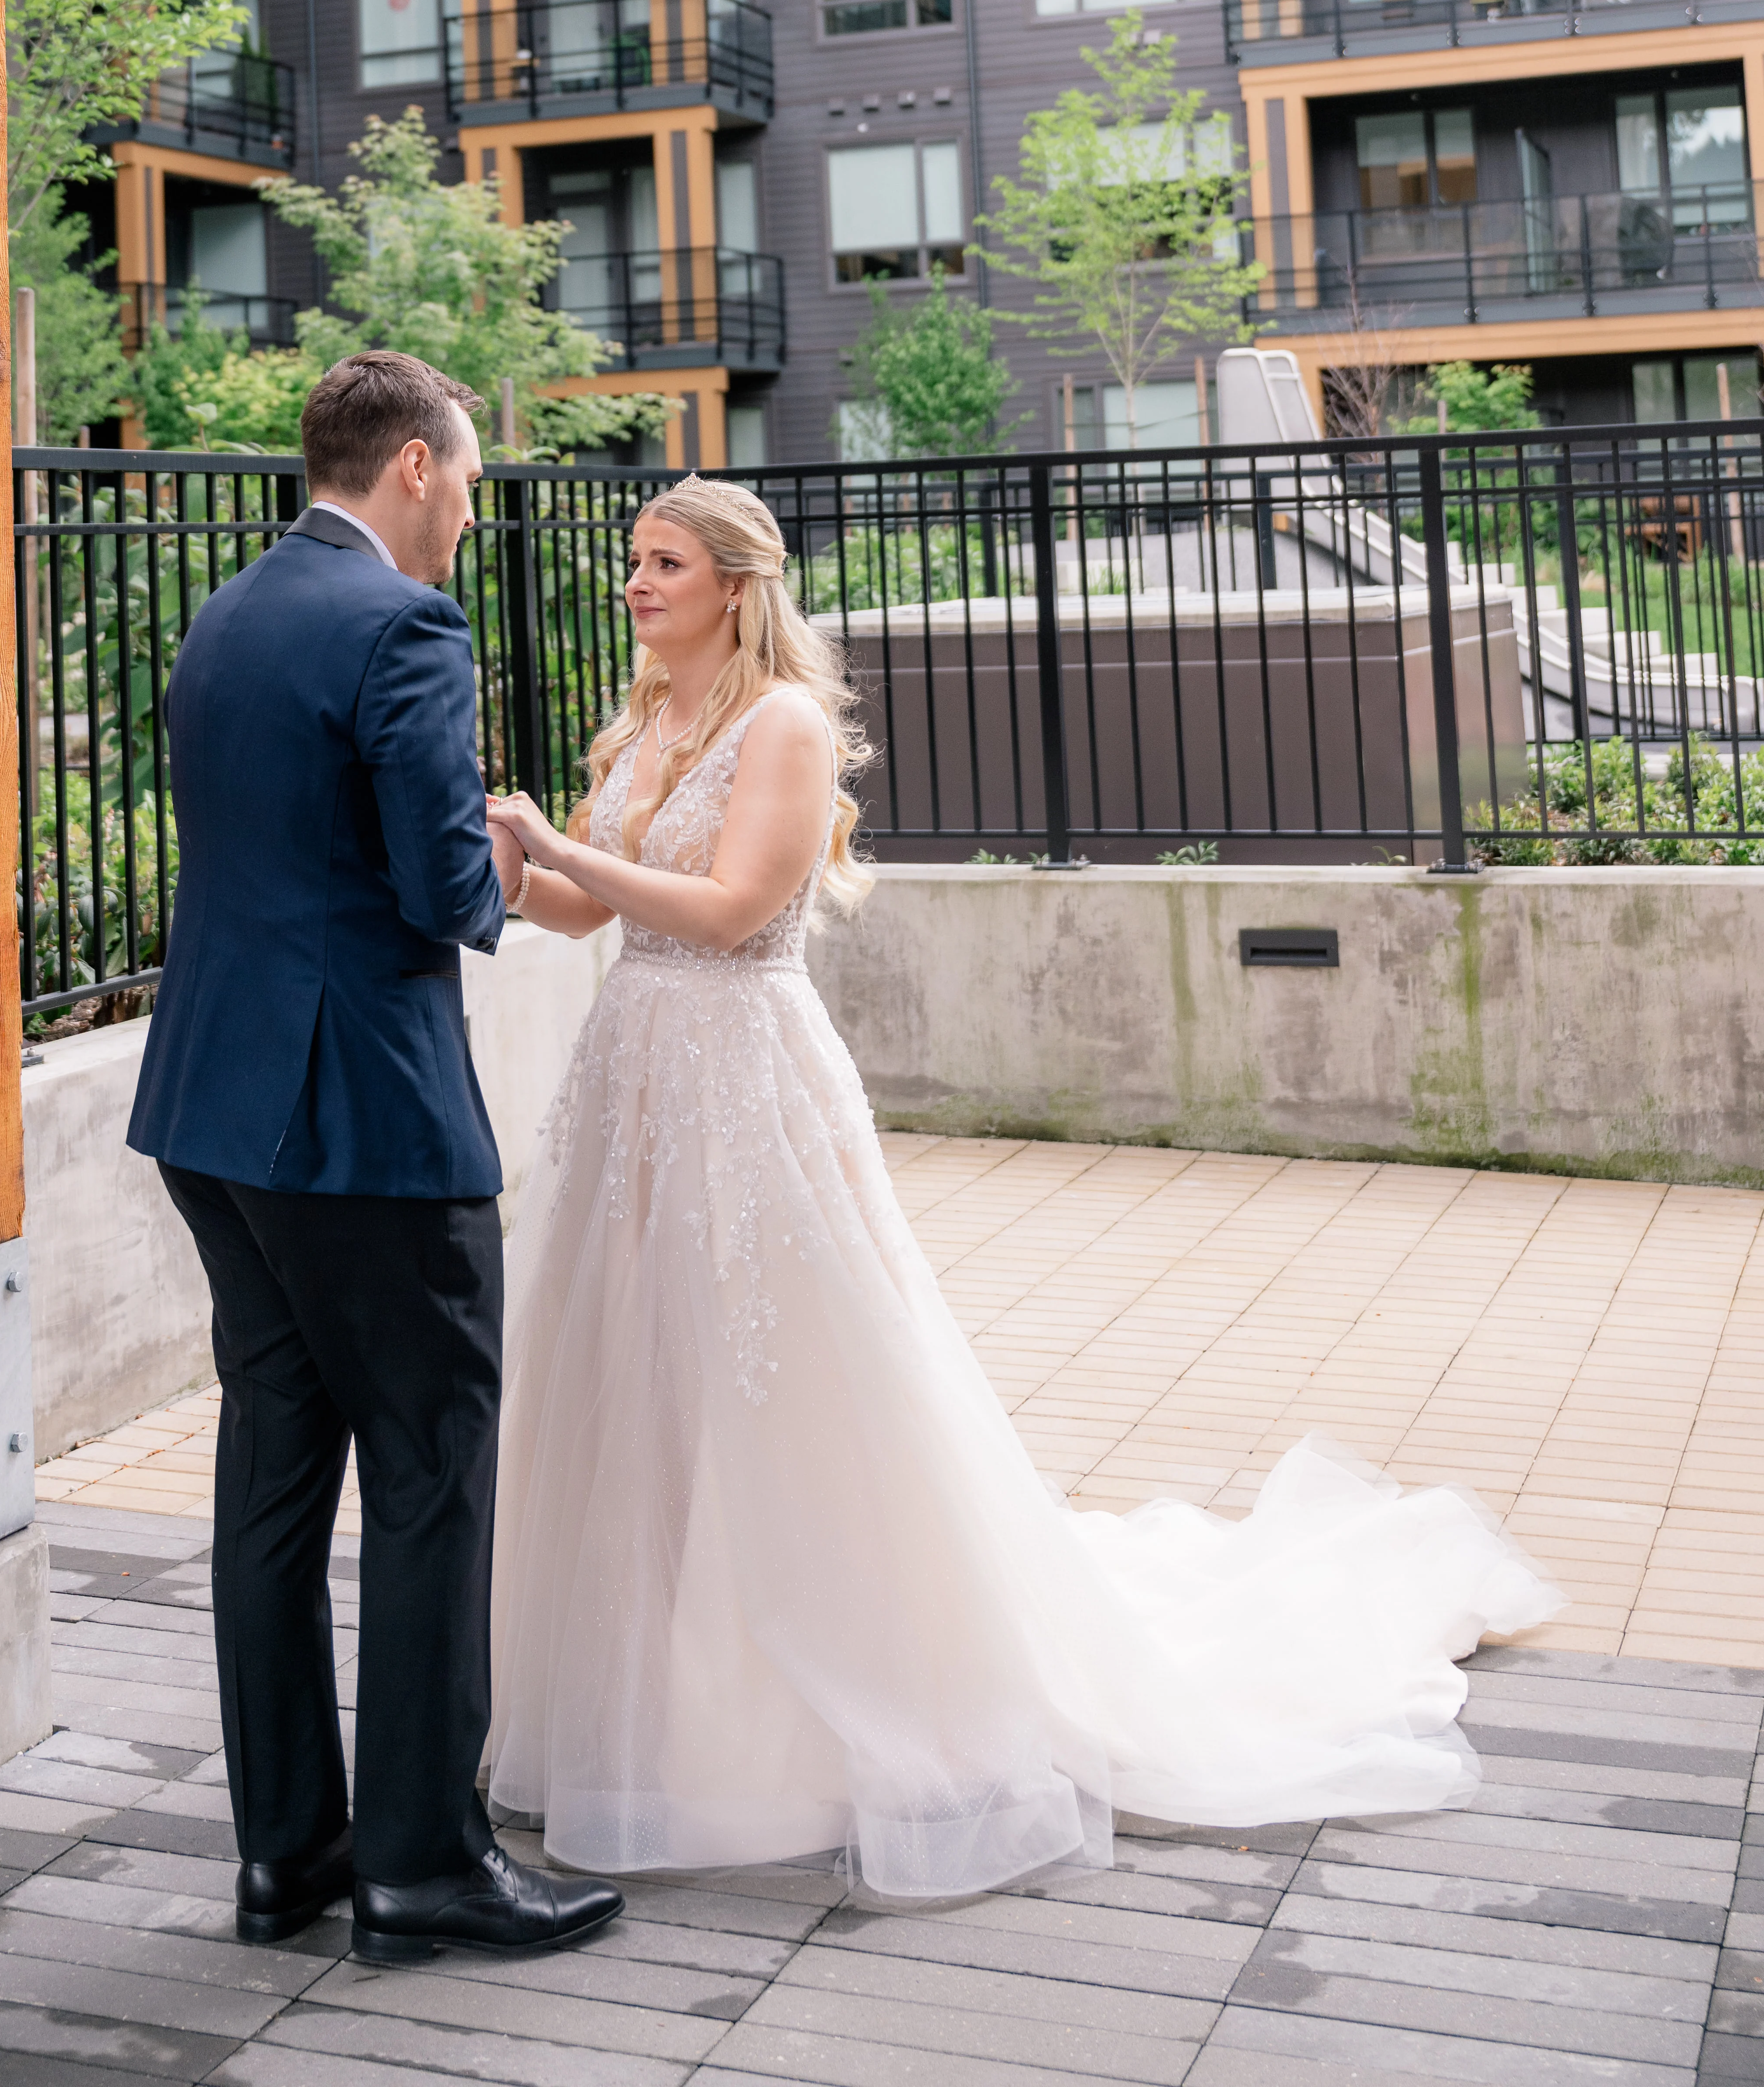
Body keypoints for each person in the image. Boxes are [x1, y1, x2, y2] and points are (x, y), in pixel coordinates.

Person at [484, 473, 1555, 1900]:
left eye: (664, 565)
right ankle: (648, 1698)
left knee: (784, 1378)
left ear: (737, 586)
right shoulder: (642, 728)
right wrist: (513, 869)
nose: (637, 584)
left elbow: (738, 910)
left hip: (744, 1080)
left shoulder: (782, 727)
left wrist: (574, 855)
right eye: (635, 562)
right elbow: (585, 903)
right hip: (633, 1078)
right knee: (638, 1377)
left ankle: (814, 1694)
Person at [126, 349, 622, 1966]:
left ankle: (290, 1857)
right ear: (414, 466)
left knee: (274, 1477)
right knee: (429, 1472)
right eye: (470, 485)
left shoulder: (231, 611)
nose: (473, 519)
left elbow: (285, 844)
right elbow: (433, 892)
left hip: (214, 1110)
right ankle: (425, 1865)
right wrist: (488, 854)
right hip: (360, 1126)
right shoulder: (405, 625)